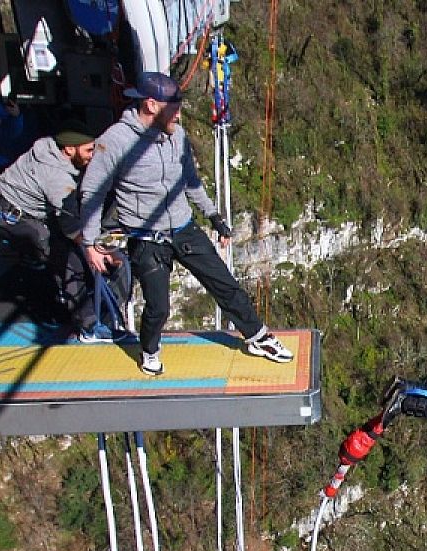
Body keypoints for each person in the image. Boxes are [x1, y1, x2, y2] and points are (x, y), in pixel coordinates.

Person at [79, 71, 292, 376]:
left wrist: (214, 216)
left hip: (183, 227)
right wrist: (90, 244)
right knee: (158, 307)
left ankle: (258, 336)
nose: (178, 114)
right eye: (173, 107)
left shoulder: (176, 135)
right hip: (146, 237)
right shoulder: (115, 141)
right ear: (151, 105)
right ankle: (150, 351)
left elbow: (190, 181)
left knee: (224, 284)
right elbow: (92, 191)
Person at [0, 121, 129, 341]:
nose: (92, 155)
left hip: (10, 203)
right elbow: (71, 228)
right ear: (69, 149)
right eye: (88, 150)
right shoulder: (56, 178)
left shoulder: (48, 147)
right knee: (66, 258)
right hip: (14, 219)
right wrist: (95, 248)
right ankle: (88, 325)